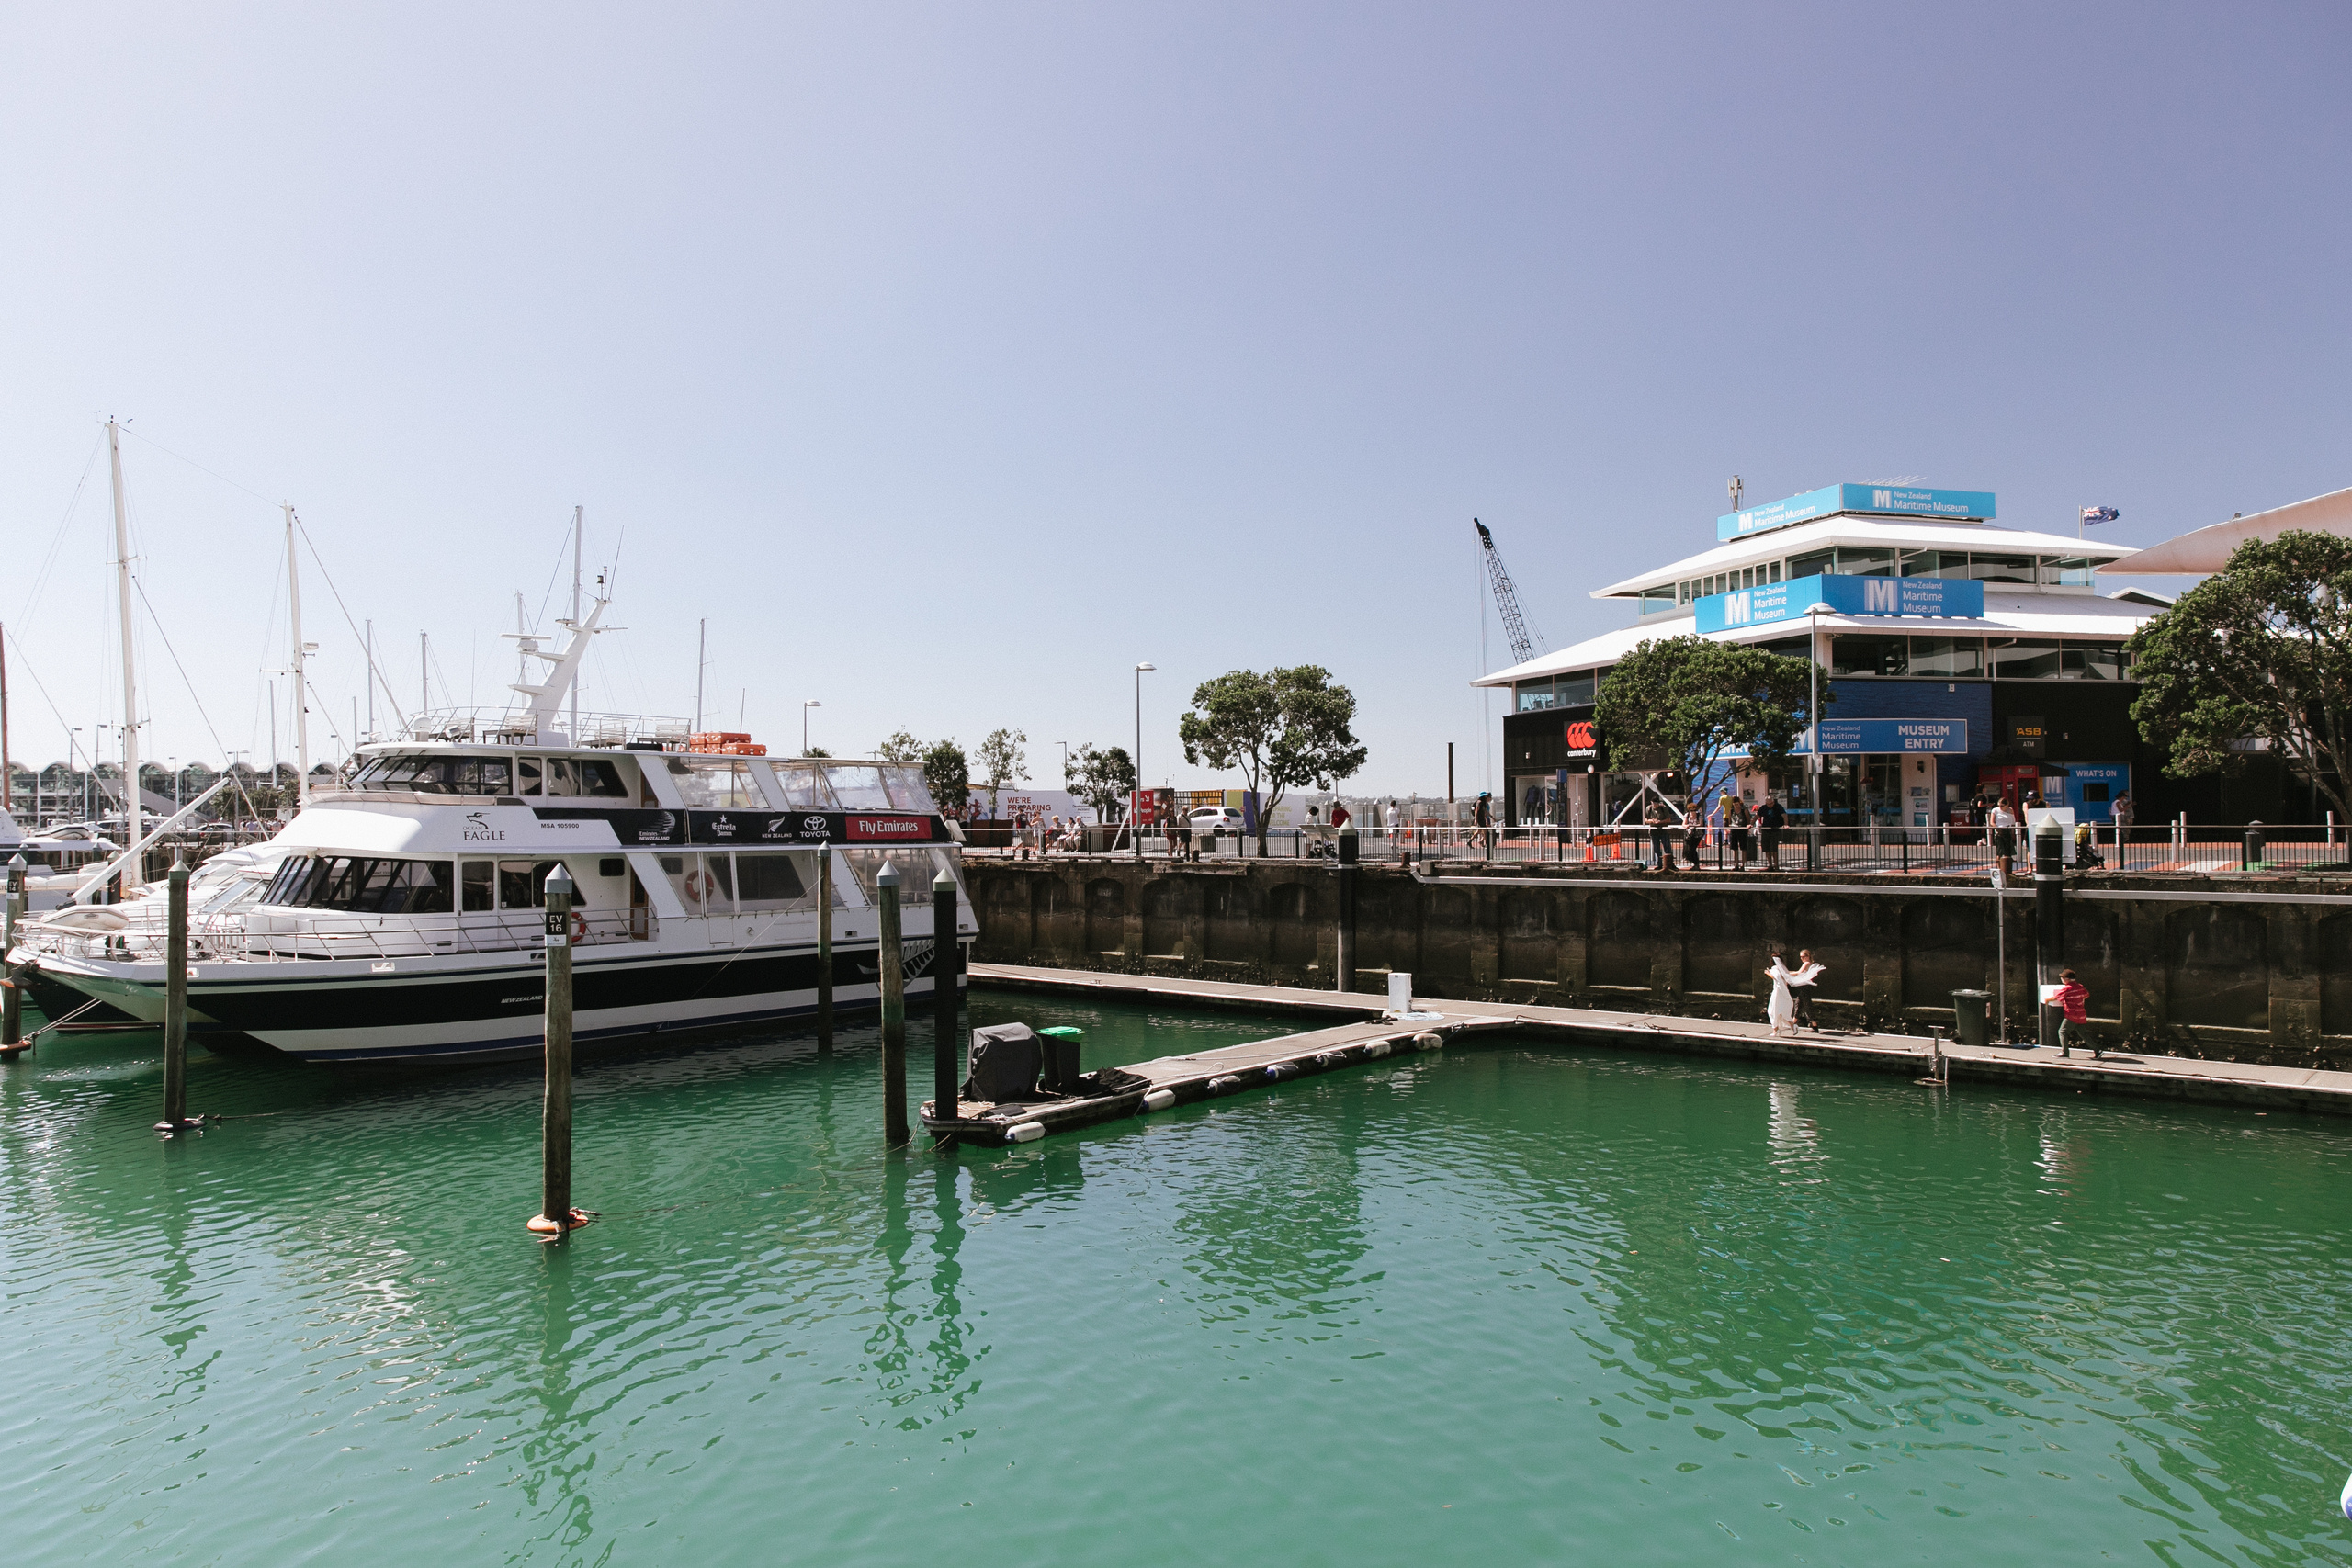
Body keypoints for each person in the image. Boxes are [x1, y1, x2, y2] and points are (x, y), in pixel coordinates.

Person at [2053, 966, 2095, 1058]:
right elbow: (2086, 995)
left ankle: (2065, 1052)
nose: (2061, 980)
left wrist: (2047, 1000)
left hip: (2071, 1015)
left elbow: (2056, 997)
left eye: (2062, 978)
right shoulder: (2080, 987)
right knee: (2083, 1033)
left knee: (2062, 1031)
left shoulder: (2067, 988)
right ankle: (2097, 1050)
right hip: (2081, 1014)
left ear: (2067, 979)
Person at [1783, 947, 1826, 1031]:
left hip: (1804, 987)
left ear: (1807, 956)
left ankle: (1814, 1025)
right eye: (1800, 957)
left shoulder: (1806, 963)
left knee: (1807, 1005)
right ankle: (1793, 1023)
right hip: (1805, 987)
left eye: (1803, 957)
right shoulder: (1808, 963)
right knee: (1799, 1004)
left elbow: (1799, 973)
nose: (1801, 959)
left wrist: (1787, 973)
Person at [1989, 795, 2020, 881]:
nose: (2000, 807)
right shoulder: (1995, 810)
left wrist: (2013, 831)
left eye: (2002, 805)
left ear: (2006, 805)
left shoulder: (2010, 810)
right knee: (2000, 851)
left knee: (2008, 851)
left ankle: (2007, 870)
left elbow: (2013, 821)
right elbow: (1992, 822)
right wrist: (1997, 829)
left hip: (2008, 830)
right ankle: (1999, 869)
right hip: (1999, 831)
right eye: (1999, 805)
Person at [1643, 797, 1674, 871]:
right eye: (1654, 803)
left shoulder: (1663, 808)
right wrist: (1652, 821)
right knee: (1656, 849)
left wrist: (1660, 822)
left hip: (1663, 830)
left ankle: (1669, 864)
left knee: (1667, 847)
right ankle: (1659, 864)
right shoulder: (1649, 808)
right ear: (1651, 802)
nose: (1655, 805)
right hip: (1654, 831)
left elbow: (1669, 819)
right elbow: (1646, 820)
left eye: (1656, 804)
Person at [1756, 794, 1786, 870]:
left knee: (1774, 849)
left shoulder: (1778, 807)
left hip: (1775, 830)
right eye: (1768, 804)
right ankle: (1770, 865)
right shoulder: (1763, 808)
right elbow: (1757, 816)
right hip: (1766, 830)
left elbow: (1784, 815)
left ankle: (1776, 865)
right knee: (1766, 848)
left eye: (1771, 803)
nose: (1770, 805)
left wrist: (1786, 824)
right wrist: (1751, 824)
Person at [1724, 791, 1752, 868]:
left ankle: (1743, 864)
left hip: (1742, 829)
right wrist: (1729, 827)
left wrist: (1748, 826)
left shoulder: (1744, 810)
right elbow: (1729, 819)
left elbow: (1748, 819)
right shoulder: (1731, 810)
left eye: (1738, 804)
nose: (1737, 806)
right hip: (1734, 829)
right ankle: (1735, 864)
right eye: (1735, 804)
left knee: (1743, 847)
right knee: (1734, 847)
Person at [1682, 796, 1706, 869]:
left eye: (1694, 810)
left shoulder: (1699, 815)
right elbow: (1683, 824)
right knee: (1688, 850)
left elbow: (1701, 824)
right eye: (1691, 810)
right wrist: (1686, 826)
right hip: (1689, 834)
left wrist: (1693, 826)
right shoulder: (1687, 815)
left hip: (1698, 834)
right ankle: (1694, 862)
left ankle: (1696, 864)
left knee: (1693, 849)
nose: (1693, 812)